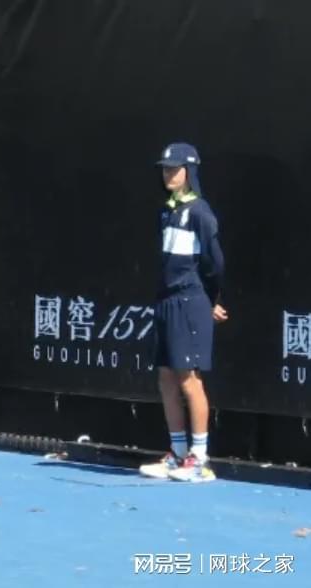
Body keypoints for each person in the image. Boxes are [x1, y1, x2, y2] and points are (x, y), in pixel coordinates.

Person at [139, 142, 228, 483]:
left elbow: (215, 263)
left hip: (190, 301)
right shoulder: (167, 212)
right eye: (165, 169)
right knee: (166, 376)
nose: (168, 174)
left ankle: (200, 460)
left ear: (189, 172)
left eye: (174, 169)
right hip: (166, 301)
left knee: (189, 379)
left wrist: (211, 299)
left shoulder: (201, 213)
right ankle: (177, 454)